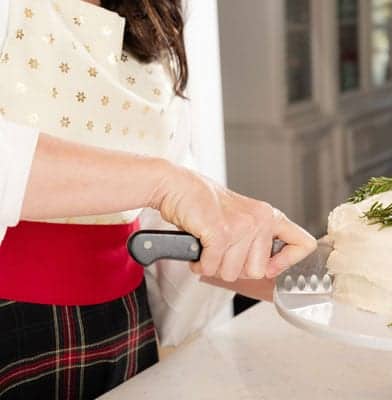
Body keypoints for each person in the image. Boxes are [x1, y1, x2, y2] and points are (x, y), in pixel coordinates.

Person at [0, 0, 317, 398]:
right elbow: (164, 184)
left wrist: (274, 268)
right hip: (14, 326)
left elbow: (158, 219)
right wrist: (166, 183)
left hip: (124, 322)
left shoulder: (160, 9)